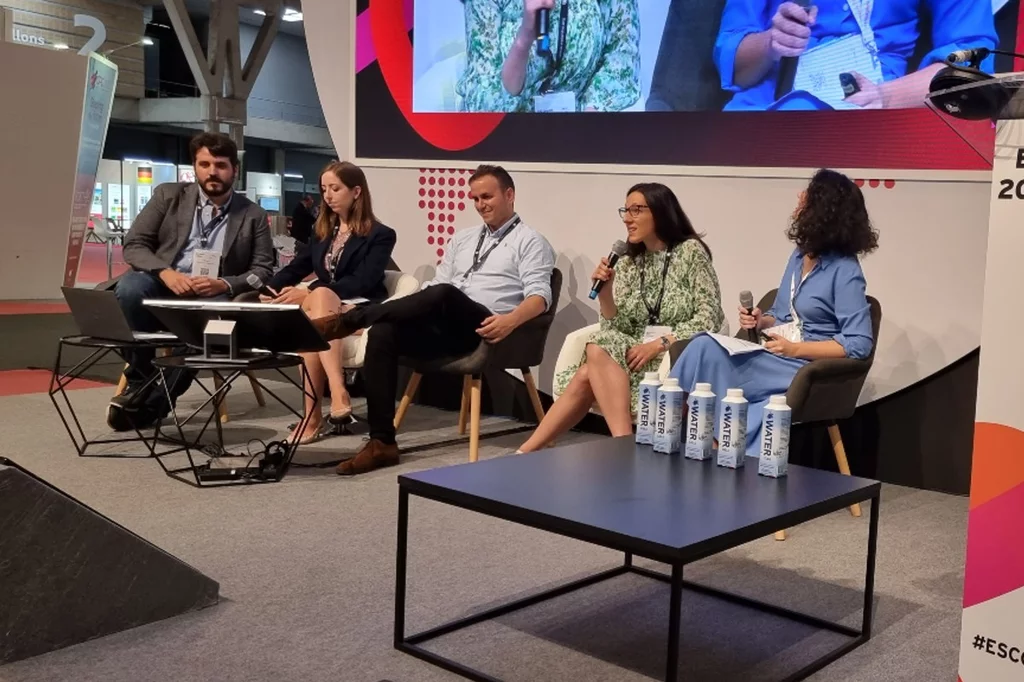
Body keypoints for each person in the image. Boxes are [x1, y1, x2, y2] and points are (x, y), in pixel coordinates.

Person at [309, 164, 556, 475]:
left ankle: (350, 320)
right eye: (475, 198)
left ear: (509, 195)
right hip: (445, 325)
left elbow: (540, 298)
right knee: (385, 332)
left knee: (443, 294)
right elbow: (434, 286)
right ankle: (382, 442)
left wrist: (510, 320)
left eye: (487, 197)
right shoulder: (463, 239)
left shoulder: (530, 241)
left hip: (486, 327)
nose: (481, 205)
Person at [669, 169, 878, 456]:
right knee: (703, 345)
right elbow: (781, 314)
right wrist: (760, 319)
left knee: (706, 347)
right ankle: (689, 436)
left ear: (822, 208)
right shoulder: (799, 254)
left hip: (805, 366)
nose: (799, 197)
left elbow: (858, 343)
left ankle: (683, 431)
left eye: (807, 193)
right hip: (778, 355)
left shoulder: (845, 270)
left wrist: (795, 350)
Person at [518, 183, 725, 453]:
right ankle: (618, 447)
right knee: (597, 348)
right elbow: (618, 328)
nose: (628, 218)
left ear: (661, 212)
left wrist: (660, 343)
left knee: (585, 375)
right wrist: (605, 294)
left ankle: (534, 451)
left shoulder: (690, 252)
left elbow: (710, 317)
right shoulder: (627, 261)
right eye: (625, 211)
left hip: (675, 355)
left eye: (637, 210)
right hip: (634, 356)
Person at [108, 132, 275, 430]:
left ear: (234, 170)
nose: (212, 172)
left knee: (211, 324)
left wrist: (224, 284)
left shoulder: (253, 215)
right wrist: (165, 272)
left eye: (221, 165)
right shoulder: (167, 196)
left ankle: (150, 403)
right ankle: (142, 377)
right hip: (164, 284)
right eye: (205, 164)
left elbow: (262, 270)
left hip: (212, 295)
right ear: (195, 166)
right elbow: (135, 245)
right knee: (131, 289)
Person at [262, 161, 397, 444]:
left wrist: (313, 293)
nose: (328, 196)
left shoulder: (380, 235)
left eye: (335, 188)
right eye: (324, 189)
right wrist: (271, 287)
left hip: (359, 308)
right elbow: (298, 266)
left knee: (319, 299)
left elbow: (364, 280)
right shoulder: (324, 230)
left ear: (356, 191)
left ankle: (327, 402)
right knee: (314, 316)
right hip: (326, 310)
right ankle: (322, 408)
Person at [715, 0, 998, 111]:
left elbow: (973, 64)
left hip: (872, 111)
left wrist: (886, 97)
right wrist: (771, 43)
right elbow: (731, 64)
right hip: (760, 111)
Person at [456, 0, 640, 113]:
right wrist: (525, 36)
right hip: (513, 129)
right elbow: (485, 95)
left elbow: (622, 58)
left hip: (586, 126)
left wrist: (590, 114)